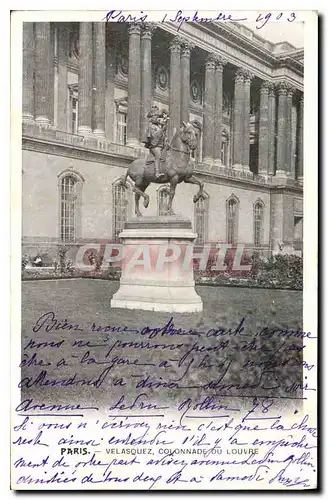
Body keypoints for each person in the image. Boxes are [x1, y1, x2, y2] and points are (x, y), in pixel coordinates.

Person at [143, 105, 169, 179]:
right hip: (154, 146)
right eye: (158, 118)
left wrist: (165, 123)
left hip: (161, 145)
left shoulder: (158, 127)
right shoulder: (152, 127)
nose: (159, 119)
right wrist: (161, 130)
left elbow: (163, 135)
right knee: (158, 155)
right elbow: (154, 136)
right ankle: (157, 172)